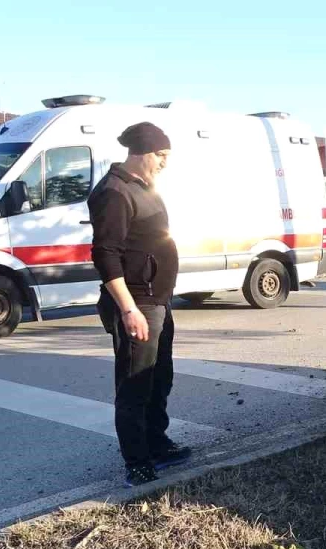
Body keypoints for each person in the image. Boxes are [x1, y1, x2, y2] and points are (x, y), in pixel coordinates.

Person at [90, 122, 188, 487]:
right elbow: (106, 254)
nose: (165, 163)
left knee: (159, 377)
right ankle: (137, 460)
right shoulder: (114, 192)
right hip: (137, 301)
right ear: (142, 152)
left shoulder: (143, 186)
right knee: (135, 383)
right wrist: (128, 309)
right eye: (161, 156)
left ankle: (157, 442)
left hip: (157, 299)